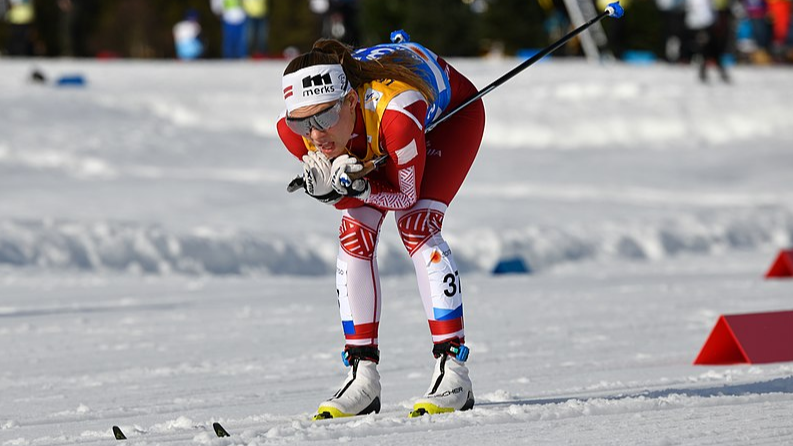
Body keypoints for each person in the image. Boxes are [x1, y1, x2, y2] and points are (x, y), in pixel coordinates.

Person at [276, 32, 485, 419]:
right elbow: (350, 194)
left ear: (351, 101)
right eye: (302, 123)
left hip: (449, 117)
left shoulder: (397, 113)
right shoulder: (300, 134)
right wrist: (336, 194)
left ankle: (453, 371)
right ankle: (362, 377)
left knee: (417, 224)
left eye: (325, 117)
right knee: (353, 232)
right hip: (378, 137)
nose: (316, 135)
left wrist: (357, 186)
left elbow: (403, 196)